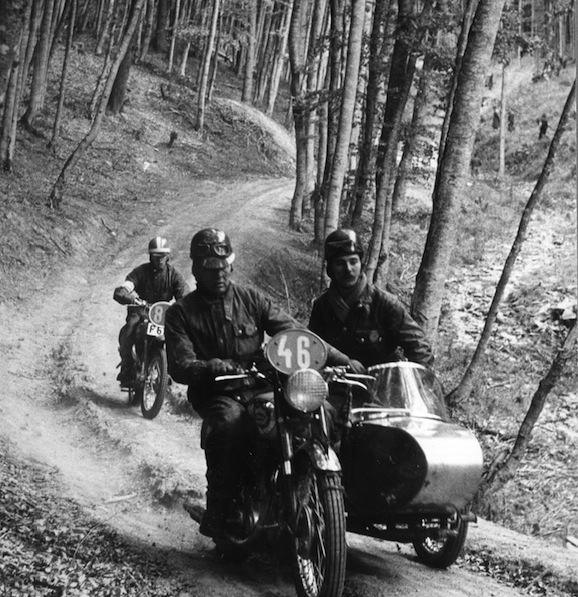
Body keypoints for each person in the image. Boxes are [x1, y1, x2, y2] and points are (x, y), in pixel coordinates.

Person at [164, 228, 360, 538]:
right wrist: (211, 366)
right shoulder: (180, 313)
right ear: (197, 269)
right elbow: (179, 365)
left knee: (311, 409)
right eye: (210, 269)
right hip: (217, 392)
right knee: (229, 425)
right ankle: (220, 512)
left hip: (258, 385)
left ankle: (308, 489)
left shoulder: (252, 299)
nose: (219, 275)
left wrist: (341, 359)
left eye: (224, 267)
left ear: (232, 265)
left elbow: (295, 333)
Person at [308, 229, 434, 369]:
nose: (348, 269)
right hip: (338, 384)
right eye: (340, 263)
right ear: (330, 268)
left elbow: (419, 347)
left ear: (361, 263)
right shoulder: (322, 306)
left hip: (381, 386)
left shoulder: (384, 303)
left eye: (353, 261)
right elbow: (313, 349)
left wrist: (418, 381)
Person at [113, 237, 189, 386]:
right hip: (140, 310)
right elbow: (126, 287)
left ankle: (169, 369)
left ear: (168, 256)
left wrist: (185, 304)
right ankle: (127, 366)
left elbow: (184, 293)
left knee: (178, 336)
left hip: (163, 314)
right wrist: (127, 295)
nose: (159, 259)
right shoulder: (140, 272)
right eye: (156, 256)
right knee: (129, 330)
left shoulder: (174, 275)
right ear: (150, 256)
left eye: (162, 256)